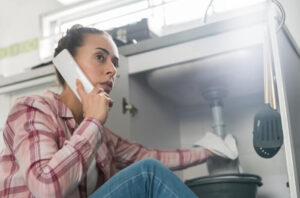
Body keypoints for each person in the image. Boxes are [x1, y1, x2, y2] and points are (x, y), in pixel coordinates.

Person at [0, 25, 214, 198]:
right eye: (100, 57)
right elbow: (46, 188)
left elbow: (153, 156)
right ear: (68, 64)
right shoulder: (31, 109)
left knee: (149, 167)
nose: (112, 70)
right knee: (147, 173)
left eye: (115, 62)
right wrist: (92, 121)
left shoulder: (102, 138)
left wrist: (210, 152)